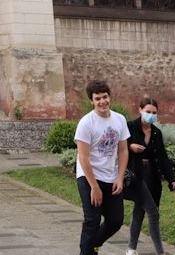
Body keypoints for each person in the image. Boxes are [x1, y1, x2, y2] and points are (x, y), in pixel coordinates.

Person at [75, 80, 131, 255]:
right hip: (88, 176)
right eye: (97, 98)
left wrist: (120, 177)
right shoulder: (86, 123)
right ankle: (87, 251)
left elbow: (123, 150)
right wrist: (94, 187)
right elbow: (83, 158)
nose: (102, 102)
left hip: (110, 175)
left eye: (104, 97)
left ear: (109, 97)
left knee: (115, 220)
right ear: (92, 101)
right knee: (92, 220)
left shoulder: (119, 119)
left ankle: (92, 246)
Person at [122, 95, 175, 255]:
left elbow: (163, 158)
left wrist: (172, 180)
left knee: (139, 213)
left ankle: (131, 249)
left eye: (154, 112)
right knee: (153, 213)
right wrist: (129, 146)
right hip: (136, 176)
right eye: (148, 111)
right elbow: (118, 147)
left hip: (153, 177)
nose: (151, 115)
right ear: (140, 110)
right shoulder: (130, 127)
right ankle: (160, 252)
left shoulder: (156, 133)